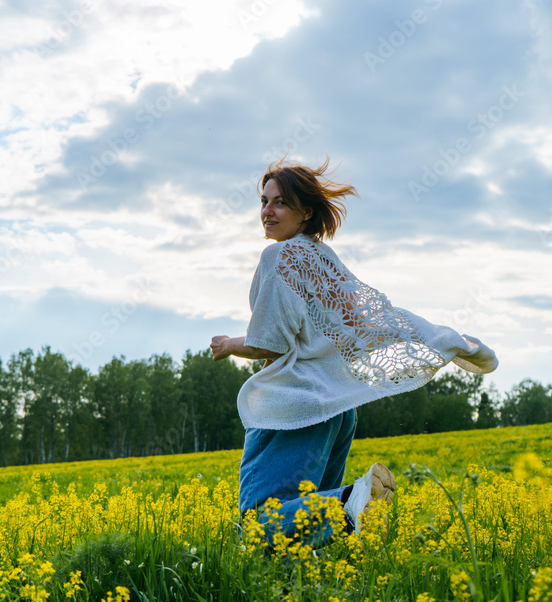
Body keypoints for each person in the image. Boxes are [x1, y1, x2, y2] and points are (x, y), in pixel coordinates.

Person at [211, 158, 498, 545]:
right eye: (263, 201)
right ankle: (331, 548)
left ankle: (353, 501)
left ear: (305, 211)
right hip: (336, 411)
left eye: (279, 203)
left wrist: (229, 345)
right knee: (306, 531)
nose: (267, 211)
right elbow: (359, 326)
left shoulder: (278, 257)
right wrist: (436, 340)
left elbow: (270, 342)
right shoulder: (324, 260)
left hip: (293, 407)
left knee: (261, 523)